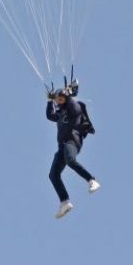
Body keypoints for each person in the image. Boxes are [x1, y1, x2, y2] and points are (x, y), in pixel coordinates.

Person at [46, 88, 100, 218]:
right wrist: (49, 101)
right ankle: (64, 202)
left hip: (72, 142)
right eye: (58, 99)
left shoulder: (75, 110)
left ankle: (92, 180)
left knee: (70, 160)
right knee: (53, 174)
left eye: (61, 98)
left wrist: (68, 95)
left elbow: (74, 107)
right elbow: (49, 115)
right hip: (62, 147)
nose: (58, 101)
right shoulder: (61, 114)